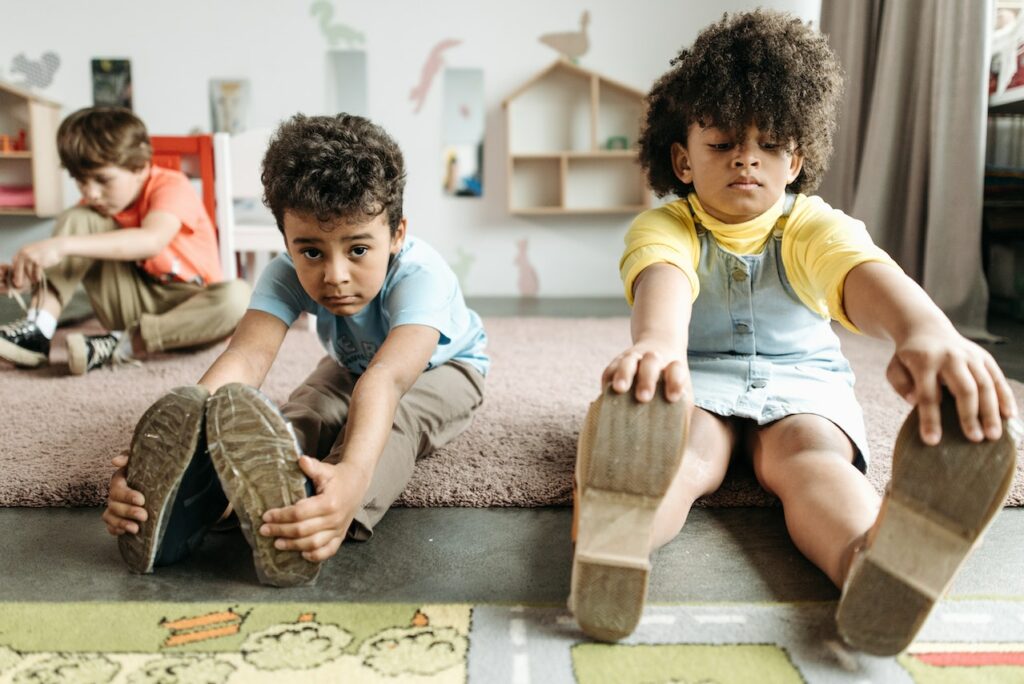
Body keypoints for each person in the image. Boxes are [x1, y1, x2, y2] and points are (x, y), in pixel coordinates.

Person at [569, 10, 1021, 654]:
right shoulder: (666, 227)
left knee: (813, 458)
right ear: (684, 159)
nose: (746, 158)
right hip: (693, 377)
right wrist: (658, 348)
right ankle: (618, 540)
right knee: (686, 448)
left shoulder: (812, 225)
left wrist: (925, 330)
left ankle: (872, 563)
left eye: (770, 144)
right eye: (723, 142)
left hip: (802, 383)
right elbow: (662, 286)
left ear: (797, 159)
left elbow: (864, 274)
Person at [101, 113, 488, 586]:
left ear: (398, 233)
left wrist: (351, 475)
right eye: (311, 252)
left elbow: (386, 379)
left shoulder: (422, 278)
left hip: (441, 370)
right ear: (285, 241)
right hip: (350, 362)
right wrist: (173, 445)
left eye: (359, 250)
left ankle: (321, 505)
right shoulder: (285, 272)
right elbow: (246, 357)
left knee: (391, 426)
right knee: (299, 412)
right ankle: (217, 494)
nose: (335, 274)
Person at [0, 106, 250, 374]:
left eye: (102, 180)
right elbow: (72, 253)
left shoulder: (170, 185)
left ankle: (124, 344)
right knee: (79, 217)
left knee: (240, 298)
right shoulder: (93, 208)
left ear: (140, 167)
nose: (91, 192)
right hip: (131, 306)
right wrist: (26, 275)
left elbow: (151, 241)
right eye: (80, 181)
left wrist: (62, 246)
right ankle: (39, 329)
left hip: (190, 317)